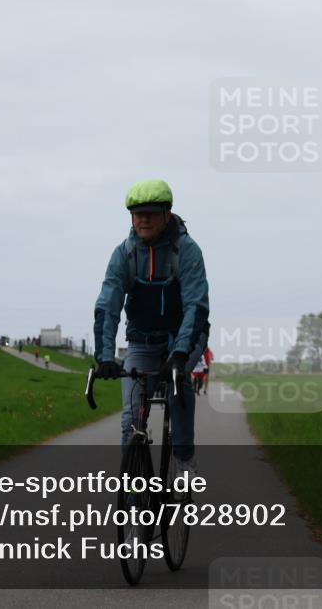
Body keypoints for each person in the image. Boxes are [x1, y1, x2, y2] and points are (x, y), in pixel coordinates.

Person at [93, 179, 209, 473]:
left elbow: (195, 306)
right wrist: (105, 356)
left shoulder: (187, 251)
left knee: (178, 383)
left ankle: (183, 459)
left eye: (150, 213)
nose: (143, 219)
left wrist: (182, 353)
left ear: (167, 214)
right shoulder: (124, 254)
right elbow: (108, 305)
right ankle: (134, 495)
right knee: (130, 420)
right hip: (142, 342)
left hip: (183, 338)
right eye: (136, 213)